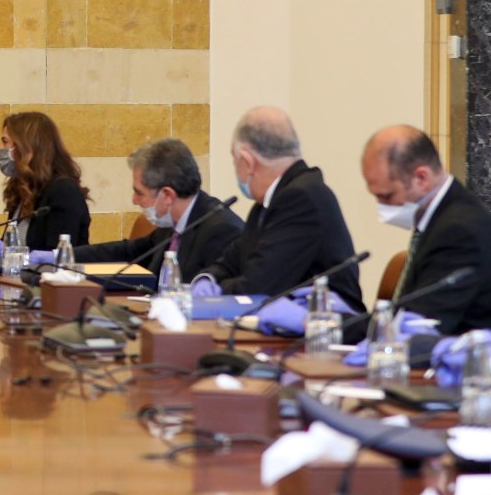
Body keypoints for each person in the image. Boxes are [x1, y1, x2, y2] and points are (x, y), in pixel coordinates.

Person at [194, 106, 364, 311]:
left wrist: (218, 289)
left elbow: (258, 287)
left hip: (326, 329)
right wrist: (208, 278)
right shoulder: (271, 200)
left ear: (248, 162)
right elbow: (233, 260)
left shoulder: (301, 199)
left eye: (234, 159)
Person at [55, 139, 242, 285]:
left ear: (167, 195)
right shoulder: (172, 222)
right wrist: (59, 256)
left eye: (139, 193)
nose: (134, 200)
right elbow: (129, 251)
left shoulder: (221, 230)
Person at [360, 125, 491, 335]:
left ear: (421, 178)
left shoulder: (459, 231)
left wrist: (329, 325)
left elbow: (420, 325)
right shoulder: (441, 216)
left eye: (387, 196)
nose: (382, 207)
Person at [0, 111, 91, 256]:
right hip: (18, 277)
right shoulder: (23, 189)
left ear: (25, 147)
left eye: (5, 142)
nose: (1, 149)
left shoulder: (63, 190)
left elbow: (55, 256)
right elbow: (12, 247)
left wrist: (0, 250)